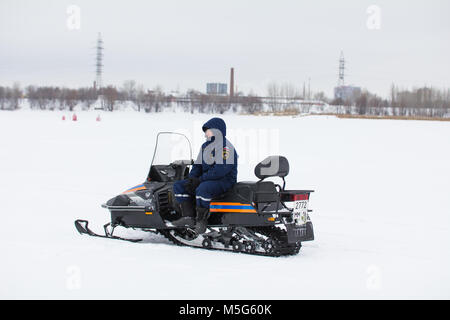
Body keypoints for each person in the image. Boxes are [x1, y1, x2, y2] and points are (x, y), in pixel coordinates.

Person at [172, 117, 238, 233]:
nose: (205, 134)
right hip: (207, 179)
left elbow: (220, 170)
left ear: (216, 131)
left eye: (207, 130)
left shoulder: (226, 148)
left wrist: (200, 180)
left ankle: (201, 220)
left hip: (224, 180)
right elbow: (197, 165)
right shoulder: (205, 146)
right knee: (180, 185)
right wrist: (192, 178)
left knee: (203, 189)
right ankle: (188, 217)